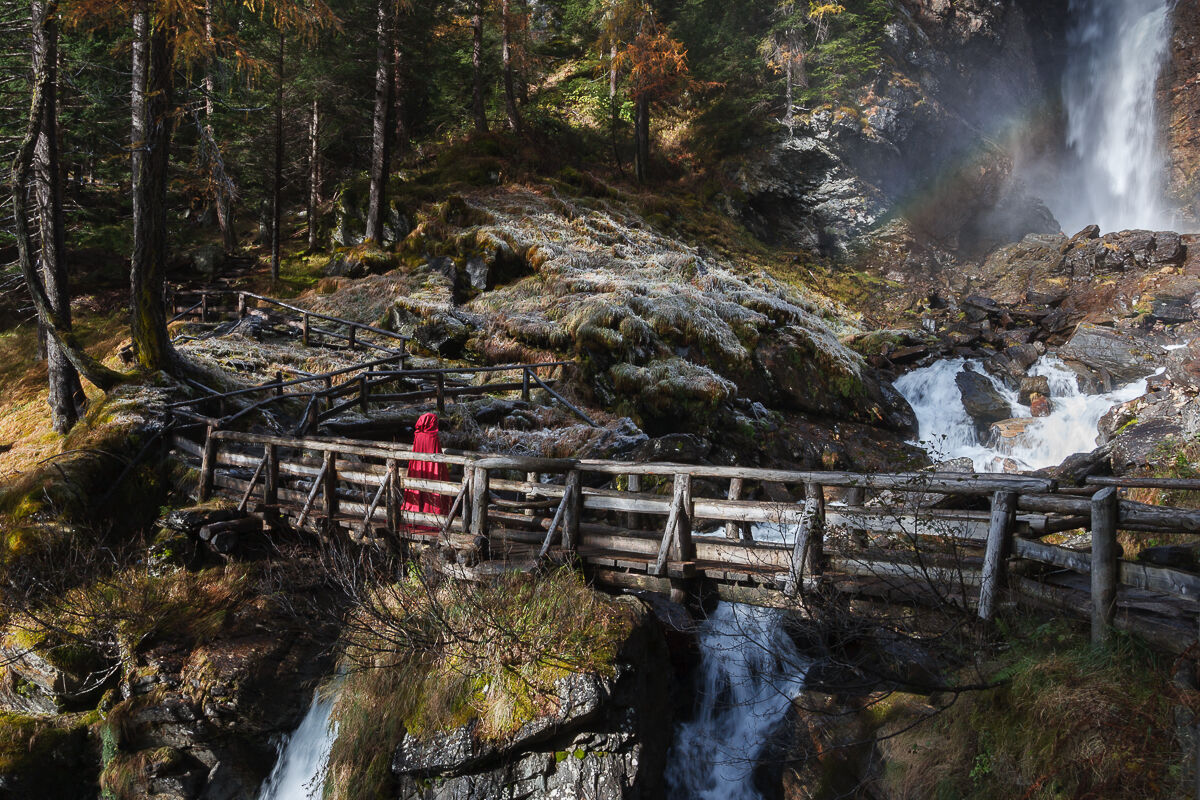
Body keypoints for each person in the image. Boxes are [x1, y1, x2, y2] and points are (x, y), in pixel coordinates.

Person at [401, 412, 450, 528]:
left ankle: (415, 514)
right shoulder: (433, 437)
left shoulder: (417, 435)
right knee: (433, 488)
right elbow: (437, 455)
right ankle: (433, 514)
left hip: (417, 468)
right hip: (432, 470)